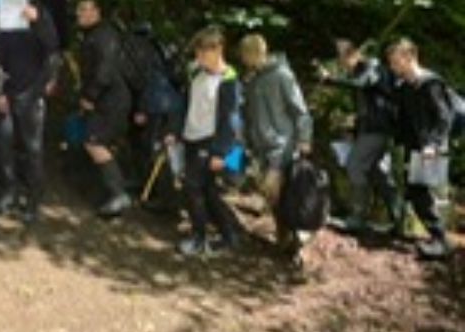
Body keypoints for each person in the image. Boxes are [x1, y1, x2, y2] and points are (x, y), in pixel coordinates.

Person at [237, 33, 314, 260]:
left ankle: (297, 244)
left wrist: (304, 138)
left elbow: (300, 111)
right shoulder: (251, 81)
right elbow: (248, 116)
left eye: (245, 54)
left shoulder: (282, 75)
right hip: (262, 147)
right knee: (274, 197)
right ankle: (285, 240)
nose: (243, 59)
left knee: (284, 194)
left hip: (282, 146)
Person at [0, 0, 60, 222]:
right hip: (8, 89)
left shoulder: (41, 14)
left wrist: (38, 21)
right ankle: (8, 190)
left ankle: (34, 200)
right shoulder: (4, 16)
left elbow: (53, 48)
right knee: (4, 142)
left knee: (33, 148)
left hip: (32, 91)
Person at [169, 26, 242, 256]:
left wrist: (220, 152)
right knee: (208, 192)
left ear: (218, 50)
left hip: (210, 142)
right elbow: (185, 105)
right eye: (197, 53)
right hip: (191, 137)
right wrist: (175, 130)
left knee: (193, 188)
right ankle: (229, 234)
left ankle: (199, 237)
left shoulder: (229, 80)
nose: (199, 57)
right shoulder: (196, 74)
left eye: (203, 52)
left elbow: (229, 119)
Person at [318, 40, 399, 233]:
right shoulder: (360, 71)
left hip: (377, 129)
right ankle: (398, 218)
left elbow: (363, 84)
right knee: (377, 172)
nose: (343, 65)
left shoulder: (372, 67)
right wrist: (354, 126)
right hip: (371, 128)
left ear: (352, 54)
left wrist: (331, 80)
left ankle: (358, 217)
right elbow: (366, 102)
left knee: (355, 164)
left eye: (343, 59)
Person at [386, 38, 454, 259]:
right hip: (414, 145)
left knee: (422, 191)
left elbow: (444, 117)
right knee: (413, 190)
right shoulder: (406, 86)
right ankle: (430, 236)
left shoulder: (430, 83)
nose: (393, 67)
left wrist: (433, 145)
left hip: (431, 147)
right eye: (391, 63)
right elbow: (402, 116)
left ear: (409, 57)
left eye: (396, 62)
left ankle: (442, 240)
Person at [76, 0, 133, 218]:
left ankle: (118, 193)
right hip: (105, 99)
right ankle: (113, 190)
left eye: (84, 9)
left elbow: (105, 70)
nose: (79, 14)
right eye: (79, 10)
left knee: (95, 142)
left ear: (96, 12)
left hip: (111, 100)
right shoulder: (94, 35)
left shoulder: (104, 35)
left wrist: (90, 95)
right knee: (97, 142)